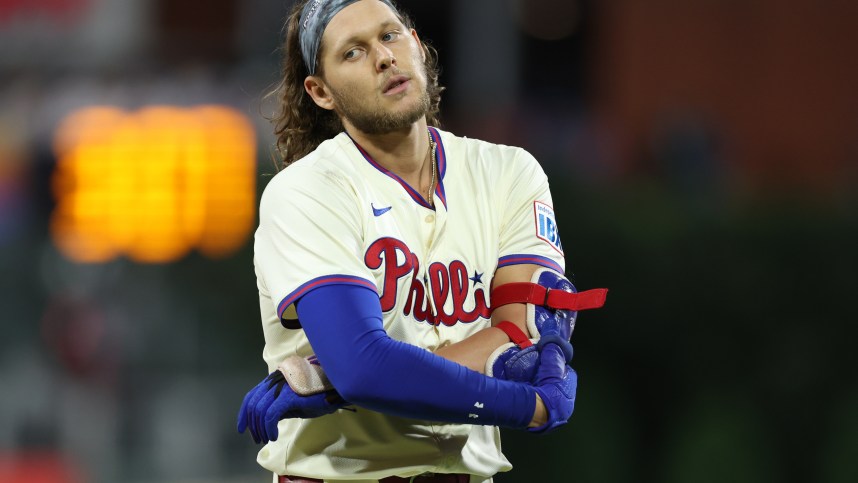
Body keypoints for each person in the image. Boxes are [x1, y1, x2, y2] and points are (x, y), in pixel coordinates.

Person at [237, 1, 607, 482]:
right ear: (320, 91)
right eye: (353, 52)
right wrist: (526, 406)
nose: (383, 58)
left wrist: (338, 384)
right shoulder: (309, 190)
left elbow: (529, 339)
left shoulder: (509, 172)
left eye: (390, 36)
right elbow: (366, 369)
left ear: (416, 44)